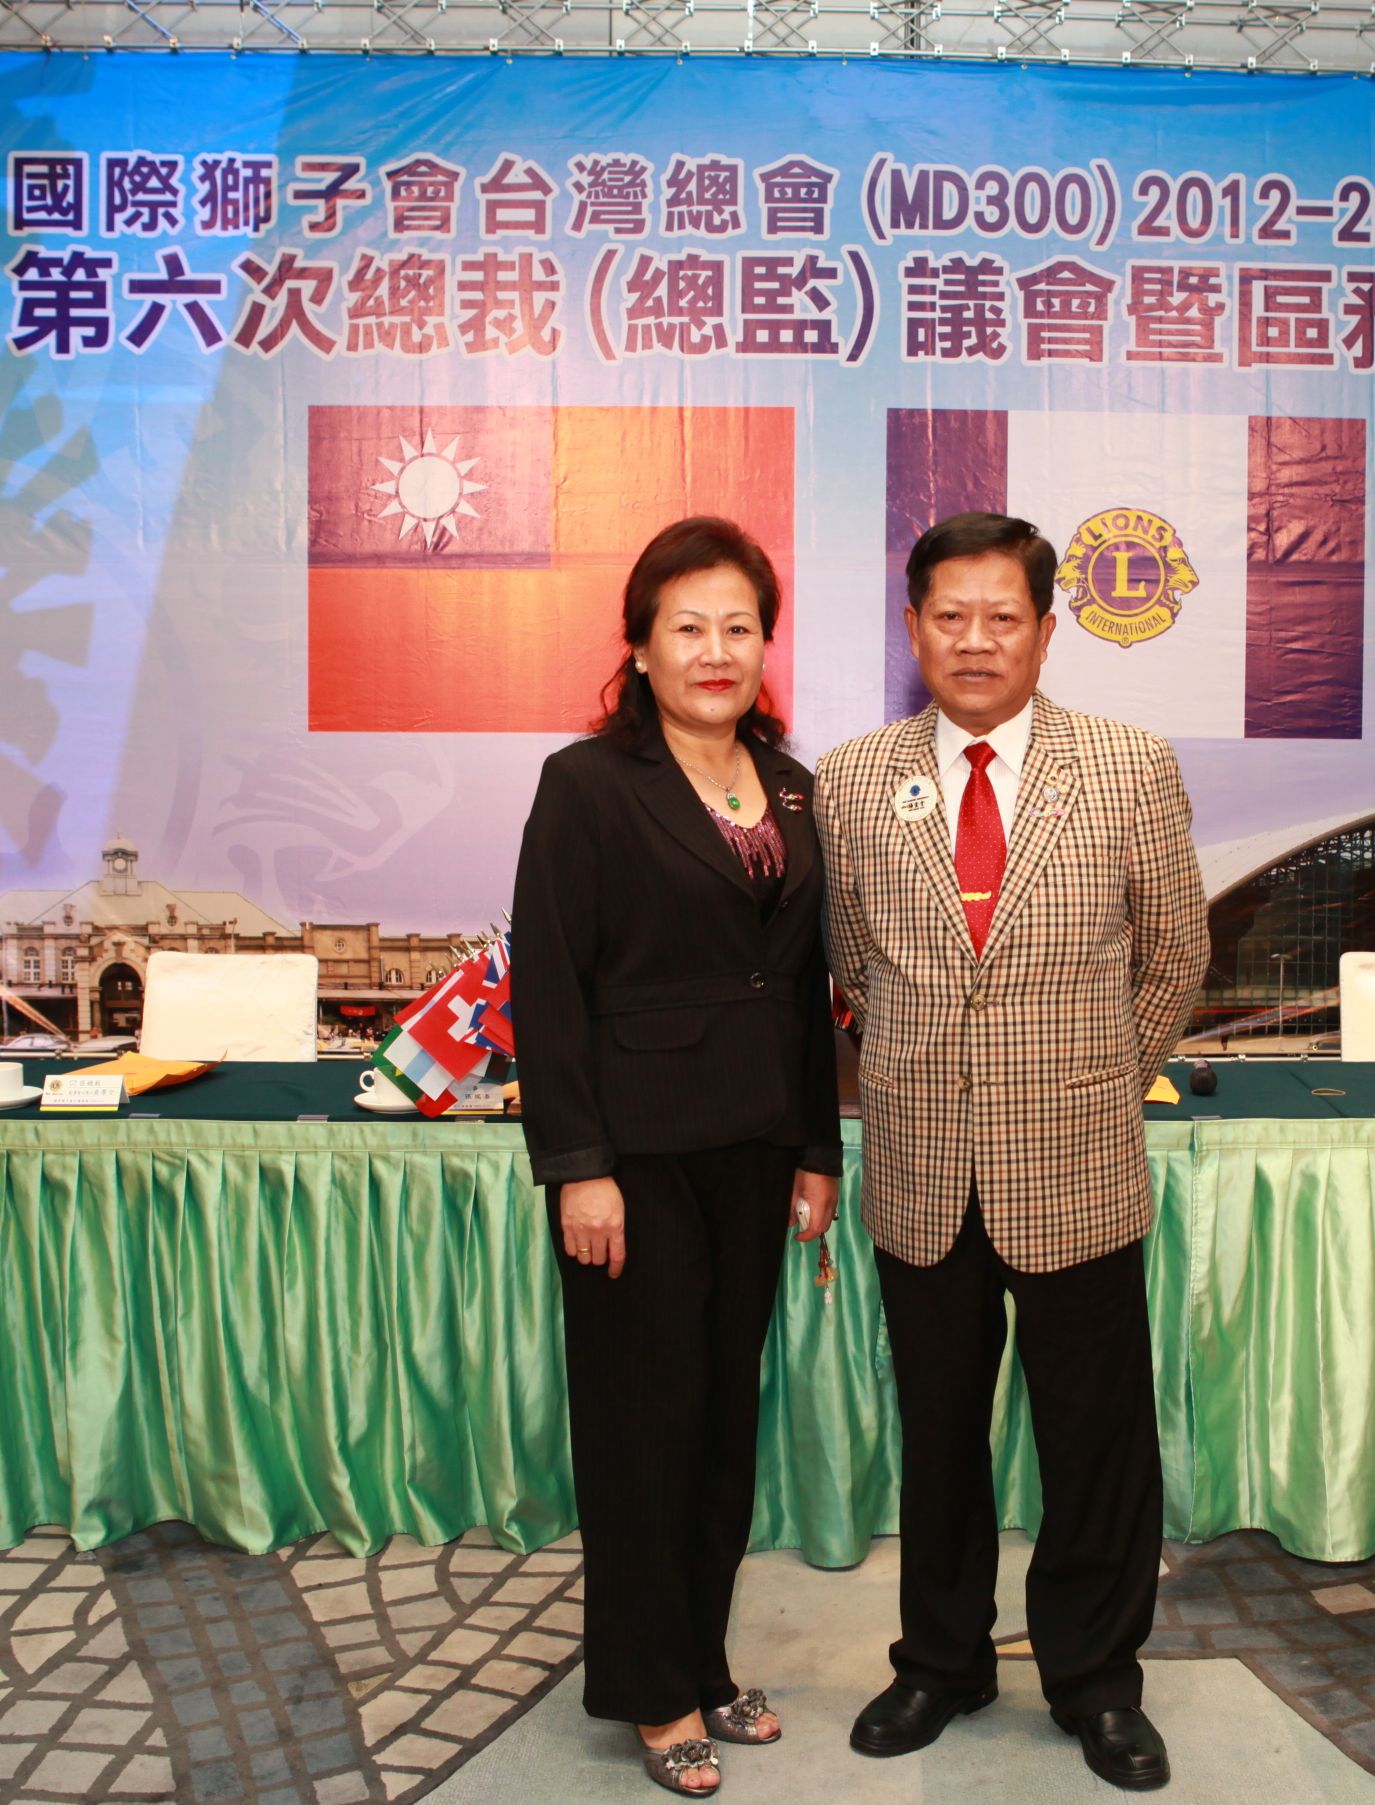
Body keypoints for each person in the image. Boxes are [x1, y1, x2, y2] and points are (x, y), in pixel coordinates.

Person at [815, 511, 1207, 1792]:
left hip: (1079, 1160)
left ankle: (1097, 1679)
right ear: (913, 626)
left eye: (1002, 616)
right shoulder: (855, 779)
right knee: (938, 1434)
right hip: (921, 1163)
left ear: (1045, 628)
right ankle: (942, 1659)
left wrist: (1095, 1081)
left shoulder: (1128, 765)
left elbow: (1177, 952)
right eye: (949, 615)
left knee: (1097, 1438)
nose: (974, 639)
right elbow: (852, 958)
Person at [511, 516, 844, 1797]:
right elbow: (551, 983)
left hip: (755, 1147)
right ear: (641, 647)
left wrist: (815, 1145)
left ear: (766, 645)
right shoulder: (589, 784)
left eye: (739, 627)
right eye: (688, 626)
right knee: (641, 1430)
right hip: (634, 1162)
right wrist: (578, 1164)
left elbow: (800, 985)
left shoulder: (794, 787)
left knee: (717, 1426)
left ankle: (701, 1657)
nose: (716, 650)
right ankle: (650, 1688)